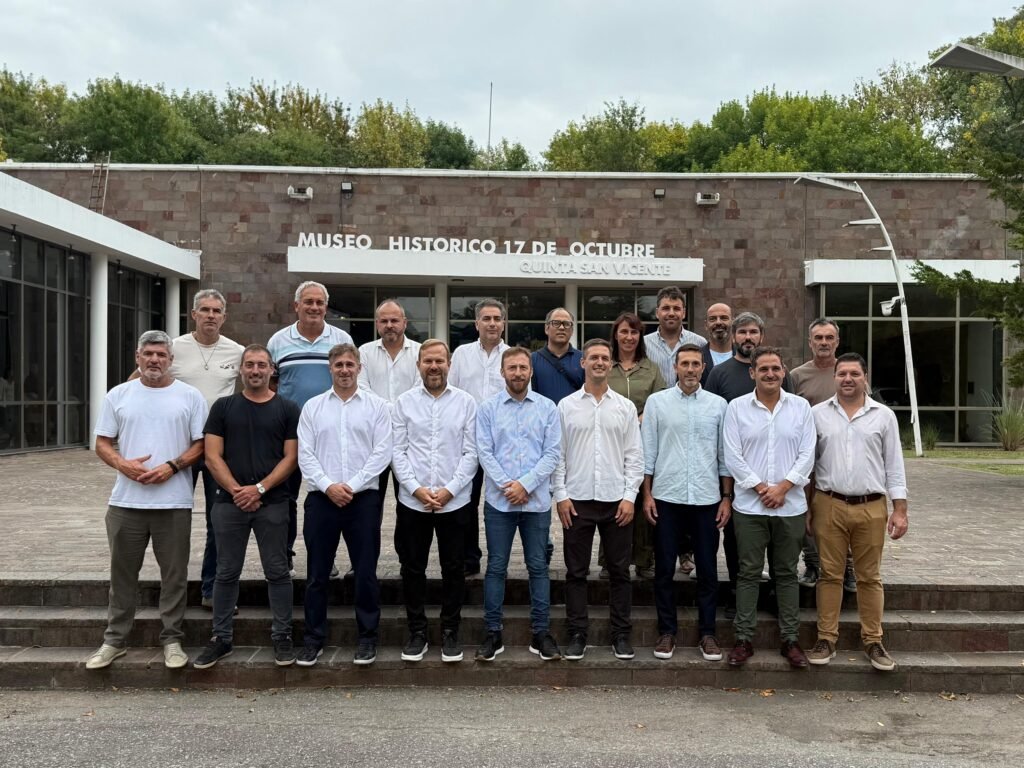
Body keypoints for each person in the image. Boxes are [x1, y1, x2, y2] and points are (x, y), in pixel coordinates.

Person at [87, 330, 207, 671]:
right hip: (126, 502)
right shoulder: (119, 395)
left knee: (175, 576)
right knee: (122, 575)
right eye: (148, 354)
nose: (155, 360)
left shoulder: (190, 396)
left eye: (161, 355)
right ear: (137, 357)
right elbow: (102, 443)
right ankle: (114, 640)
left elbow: (201, 445)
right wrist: (122, 464)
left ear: (171, 359)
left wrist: (173, 466)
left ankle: (172, 639)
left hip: (174, 503)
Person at [194, 344, 300, 669]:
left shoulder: (288, 409)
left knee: (277, 572)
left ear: (271, 370)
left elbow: (291, 458)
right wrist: (236, 490)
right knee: (226, 572)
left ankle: (282, 636)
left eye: (261, 365)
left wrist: (260, 488)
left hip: (274, 503)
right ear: (241, 369)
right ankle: (221, 638)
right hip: (229, 503)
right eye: (250, 365)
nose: (255, 371)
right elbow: (212, 455)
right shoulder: (223, 407)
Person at [806, 353, 909, 671]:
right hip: (829, 503)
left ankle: (873, 640)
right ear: (834, 377)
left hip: (871, 506)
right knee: (829, 575)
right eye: (842, 374)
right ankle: (826, 638)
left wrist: (900, 509)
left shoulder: (883, 416)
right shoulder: (817, 415)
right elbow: (808, 465)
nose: (848, 379)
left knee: (869, 577)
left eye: (854, 373)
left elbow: (894, 465)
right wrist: (807, 508)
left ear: (866, 377)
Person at [295, 343, 393, 666]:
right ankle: (313, 638)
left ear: (359, 368)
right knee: (317, 573)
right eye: (339, 365)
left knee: (365, 572)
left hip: (362, 499)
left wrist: (351, 485)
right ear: (330, 368)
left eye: (350, 364)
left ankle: (367, 638)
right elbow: (305, 454)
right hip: (321, 500)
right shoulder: (313, 408)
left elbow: (382, 452)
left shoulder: (377, 407)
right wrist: (328, 486)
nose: (345, 370)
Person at [552, 339, 644, 662]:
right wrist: (561, 496)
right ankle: (577, 633)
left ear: (610, 363)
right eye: (594, 357)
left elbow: (635, 456)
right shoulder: (566, 406)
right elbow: (558, 456)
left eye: (605, 358)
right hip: (576, 502)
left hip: (616, 501)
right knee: (576, 572)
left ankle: (621, 634)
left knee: (620, 572)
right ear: (583, 363)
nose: (600, 362)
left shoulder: (625, 407)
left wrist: (630, 497)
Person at [723, 346, 815, 669]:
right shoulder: (736, 408)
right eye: (763, 369)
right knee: (748, 572)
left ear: (783, 371)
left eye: (775, 368)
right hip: (750, 507)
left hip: (790, 506)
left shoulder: (801, 408)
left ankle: (790, 639)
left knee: (787, 573)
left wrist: (784, 487)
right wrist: (762, 488)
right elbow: (732, 455)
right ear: (752, 373)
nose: (770, 374)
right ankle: (743, 639)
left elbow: (808, 454)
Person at [642, 344, 732, 662]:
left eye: (696, 364)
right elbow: (648, 453)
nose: (691, 369)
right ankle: (667, 632)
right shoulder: (657, 403)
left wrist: (726, 498)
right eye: (685, 364)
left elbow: (724, 457)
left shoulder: (718, 405)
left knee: (707, 570)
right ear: (675, 368)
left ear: (703, 368)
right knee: (664, 569)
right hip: (667, 497)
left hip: (706, 498)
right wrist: (647, 495)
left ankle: (708, 634)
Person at [392, 339, 478, 663]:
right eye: (428, 361)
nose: (434, 367)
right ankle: (417, 631)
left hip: (454, 502)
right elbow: (397, 451)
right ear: (418, 365)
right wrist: (416, 489)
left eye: (439, 361)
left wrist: (449, 490)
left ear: (449, 365)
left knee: (453, 568)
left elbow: (472, 452)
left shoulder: (466, 403)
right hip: (413, 501)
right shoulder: (404, 403)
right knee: (412, 568)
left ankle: (450, 631)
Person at [475, 347, 562, 662]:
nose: (518, 373)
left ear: (531, 371)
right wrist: (508, 486)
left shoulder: (547, 408)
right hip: (499, 503)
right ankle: (492, 632)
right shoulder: (488, 408)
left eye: (523, 367)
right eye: (512, 368)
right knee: (496, 567)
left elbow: (552, 453)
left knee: (538, 567)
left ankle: (541, 633)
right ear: (502, 372)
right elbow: (484, 452)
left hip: (536, 502)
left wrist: (525, 485)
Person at [705, 311, 792, 616]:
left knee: (778, 542)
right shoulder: (720, 374)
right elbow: (712, 419)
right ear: (733, 337)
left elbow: (790, 416)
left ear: (761, 336)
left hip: (777, 477)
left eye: (753, 332)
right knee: (735, 539)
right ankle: (737, 592)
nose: (747, 337)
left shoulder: (779, 373)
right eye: (742, 332)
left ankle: (774, 595)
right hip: (735, 473)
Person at [267, 281, 353, 576]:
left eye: (319, 302)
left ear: (326, 307)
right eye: (308, 302)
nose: (314, 307)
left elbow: (349, 377)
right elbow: (271, 384)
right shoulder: (278, 341)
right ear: (296, 306)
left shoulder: (341, 338)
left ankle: (326, 560)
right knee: (285, 498)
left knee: (328, 496)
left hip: (330, 432)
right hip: (289, 433)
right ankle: (285, 557)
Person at [168, 289, 243, 611]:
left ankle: (213, 590)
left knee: (219, 522)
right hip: (179, 447)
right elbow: (141, 380)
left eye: (216, 311)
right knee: (173, 521)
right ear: (193, 314)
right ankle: (172, 592)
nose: (210, 315)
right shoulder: (173, 348)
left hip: (219, 450)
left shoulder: (237, 352)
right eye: (205, 310)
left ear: (224, 317)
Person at [789, 318, 856, 592]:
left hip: (842, 455)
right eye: (818, 338)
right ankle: (813, 563)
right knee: (809, 511)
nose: (824, 342)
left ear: (837, 341)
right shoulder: (796, 376)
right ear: (810, 342)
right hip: (807, 457)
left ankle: (847, 568)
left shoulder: (848, 372)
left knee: (845, 511)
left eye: (829, 337)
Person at [603, 311, 666, 580]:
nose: (629, 337)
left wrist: (639, 418)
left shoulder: (651, 369)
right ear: (616, 335)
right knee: (610, 500)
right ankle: (609, 560)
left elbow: (660, 401)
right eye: (624, 332)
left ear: (640, 336)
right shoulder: (607, 366)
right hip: (611, 443)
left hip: (644, 442)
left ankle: (644, 559)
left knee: (643, 501)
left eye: (634, 332)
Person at [449, 298, 509, 576]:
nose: (492, 323)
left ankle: (501, 560)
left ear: (503, 323)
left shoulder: (512, 356)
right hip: (468, 441)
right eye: (487, 318)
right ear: (477, 324)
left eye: (497, 319)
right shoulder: (461, 355)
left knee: (502, 501)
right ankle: (468, 558)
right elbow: (451, 394)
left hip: (503, 443)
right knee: (466, 501)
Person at [357, 299, 422, 510]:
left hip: (410, 438)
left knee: (409, 501)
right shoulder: (364, 352)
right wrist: (396, 409)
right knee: (370, 502)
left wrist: (392, 410)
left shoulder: (420, 352)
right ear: (377, 324)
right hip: (374, 437)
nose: (389, 325)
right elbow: (362, 389)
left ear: (405, 322)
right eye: (384, 321)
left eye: (394, 320)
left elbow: (419, 390)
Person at [643, 285, 707, 388]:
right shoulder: (644, 344)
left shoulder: (700, 343)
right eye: (666, 308)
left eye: (676, 309)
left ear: (684, 313)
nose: (671, 313)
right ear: (657, 313)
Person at [530, 307, 584, 404]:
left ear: (572, 330)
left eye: (566, 324)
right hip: (543, 413)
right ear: (546, 328)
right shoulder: (532, 360)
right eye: (556, 323)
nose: (562, 327)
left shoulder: (583, 359)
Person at [703, 302, 734, 370]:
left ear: (732, 322)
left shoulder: (745, 356)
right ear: (706, 325)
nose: (718, 322)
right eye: (712, 319)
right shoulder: (697, 357)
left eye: (724, 318)